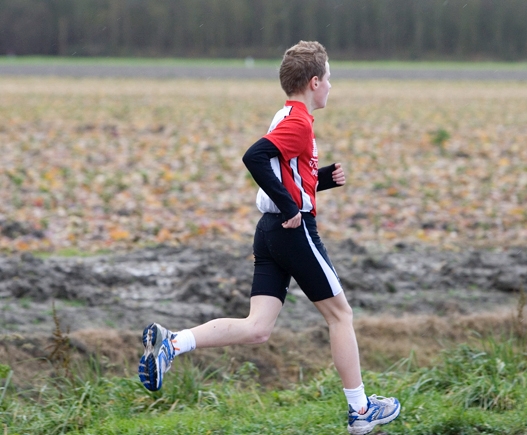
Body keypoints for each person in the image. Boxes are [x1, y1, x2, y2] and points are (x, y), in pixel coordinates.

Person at [138, 40, 400, 435]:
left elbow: (283, 172)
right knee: (340, 315)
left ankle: (172, 344)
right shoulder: (298, 122)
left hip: (269, 232)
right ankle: (360, 410)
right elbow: (254, 158)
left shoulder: (285, 115)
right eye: (329, 79)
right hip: (293, 231)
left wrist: (321, 180)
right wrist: (294, 208)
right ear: (314, 82)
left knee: (257, 328)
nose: (331, 86)